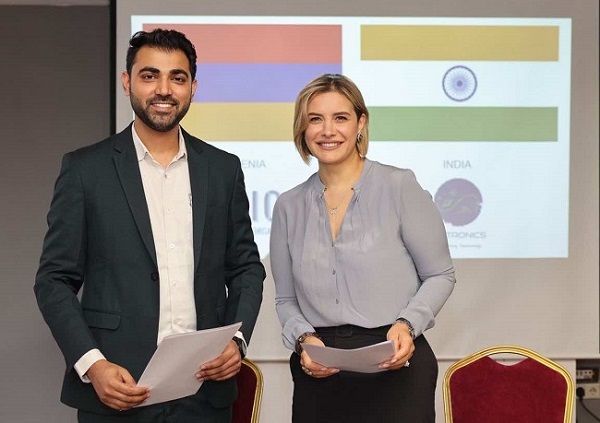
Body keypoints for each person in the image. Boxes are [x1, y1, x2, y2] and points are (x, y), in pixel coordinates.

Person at [34, 29, 265, 422]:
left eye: (177, 77)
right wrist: (92, 364)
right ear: (127, 82)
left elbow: (245, 268)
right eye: (149, 75)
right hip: (117, 389)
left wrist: (236, 340)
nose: (164, 89)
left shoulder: (223, 169)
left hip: (204, 393)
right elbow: (53, 280)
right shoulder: (85, 170)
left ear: (193, 87)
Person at [270, 73, 456, 422]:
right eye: (315, 119)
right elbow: (285, 300)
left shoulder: (399, 186)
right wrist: (303, 338)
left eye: (340, 118)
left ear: (360, 123)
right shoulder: (287, 206)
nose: (328, 130)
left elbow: (440, 274)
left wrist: (407, 325)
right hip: (319, 370)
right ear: (303, 129)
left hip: (396, 363)